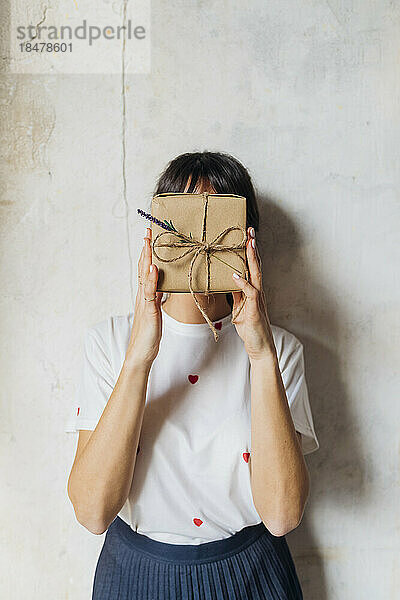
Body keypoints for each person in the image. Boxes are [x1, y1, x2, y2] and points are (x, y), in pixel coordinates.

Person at [65, 151, 320, 599]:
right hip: (136, 572)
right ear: (157, 234)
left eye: (216, 220)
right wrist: (140, 357)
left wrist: (260, 355)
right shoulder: (108, 341)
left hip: (251, 574)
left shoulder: (280, 350)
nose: (199, 239)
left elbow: (281, 515)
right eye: (183, 220)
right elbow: (91, 512)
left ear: (247, 240)